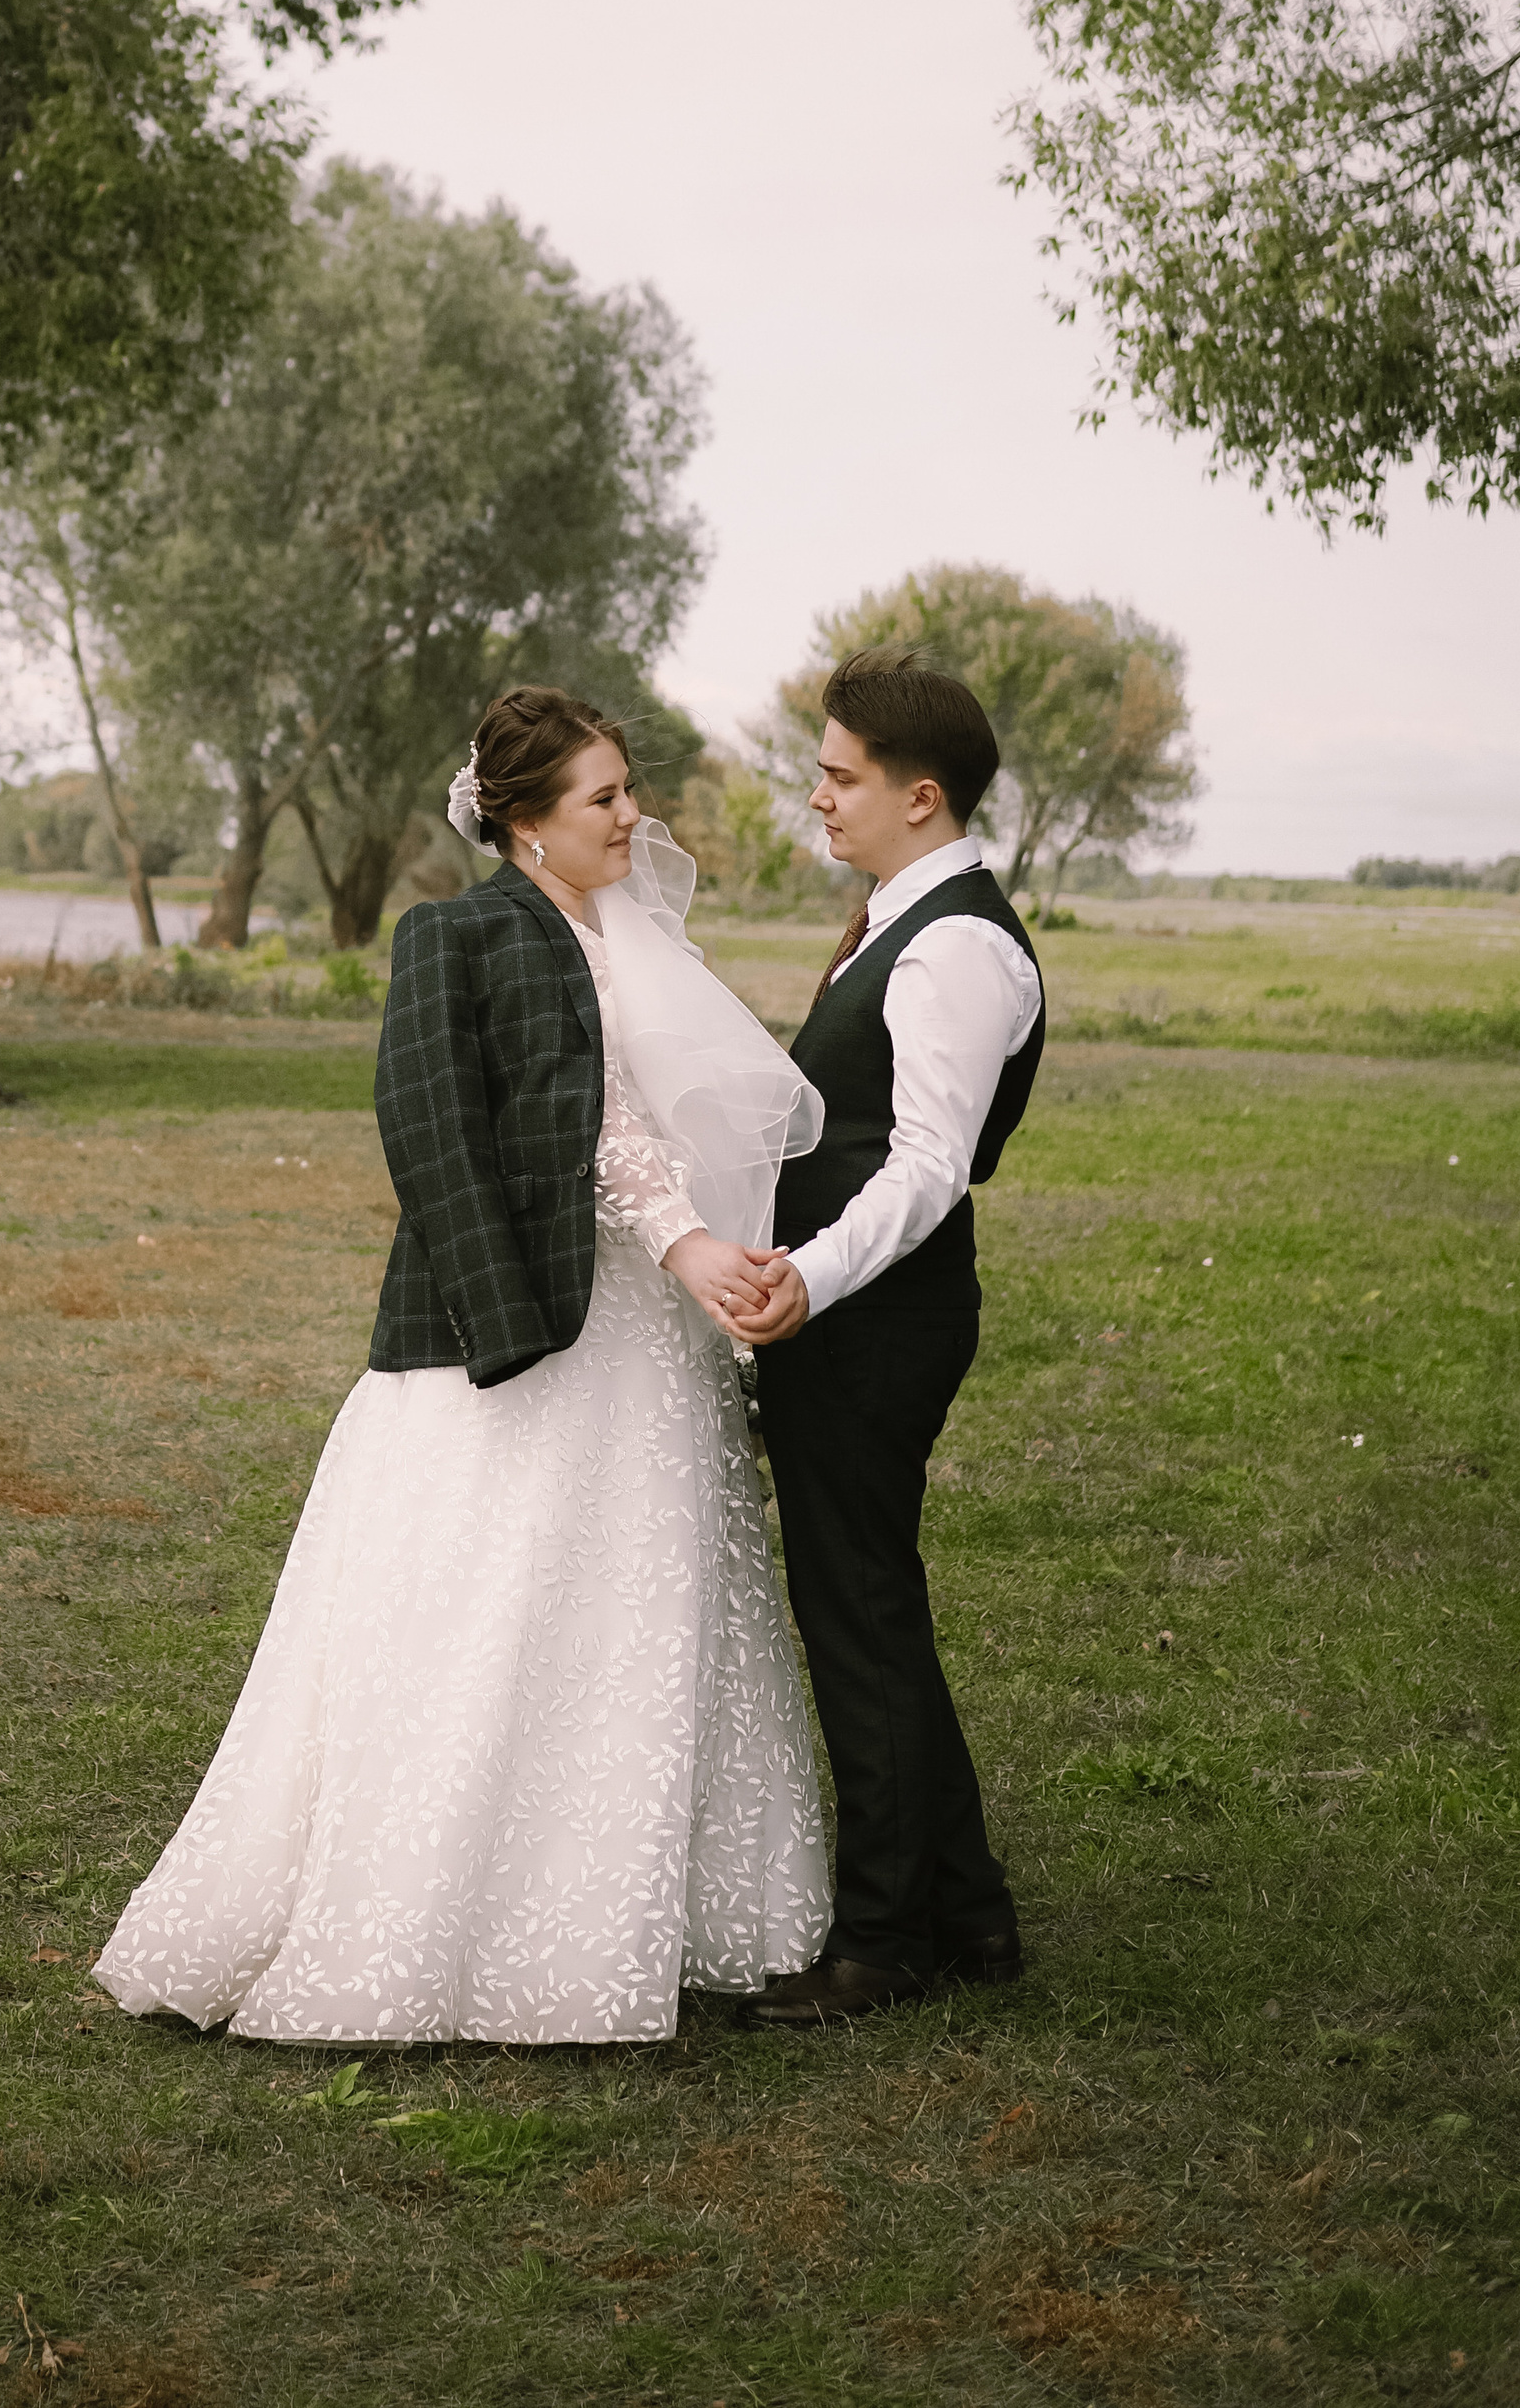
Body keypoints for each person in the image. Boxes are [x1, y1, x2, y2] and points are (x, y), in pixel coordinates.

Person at [94, 683, 831, 2044]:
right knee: (474, 1615)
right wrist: (513, 1334)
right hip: (507, 1330)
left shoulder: (636, 943)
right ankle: (418, 1928)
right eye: (603, 796)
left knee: (639, 1618)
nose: (632, 814)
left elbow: (664, 1123)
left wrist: (717, 1256)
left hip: (643, 1343)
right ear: (523, 820)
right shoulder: (453, 937)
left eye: (628, 789)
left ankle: (627, 1922)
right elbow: (430, 1132)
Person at [730, 648, 1046, 2027]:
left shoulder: (960, 943)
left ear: (922, 796)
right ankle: (966, 1911)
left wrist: (805, 1275)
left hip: (878, 1318)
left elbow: (926, 1165)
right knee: (873, 1604)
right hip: (849, 1313)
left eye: (839, 775)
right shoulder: (898, 918)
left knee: (854, 1611)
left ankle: (879, 1944)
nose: (817, 797)